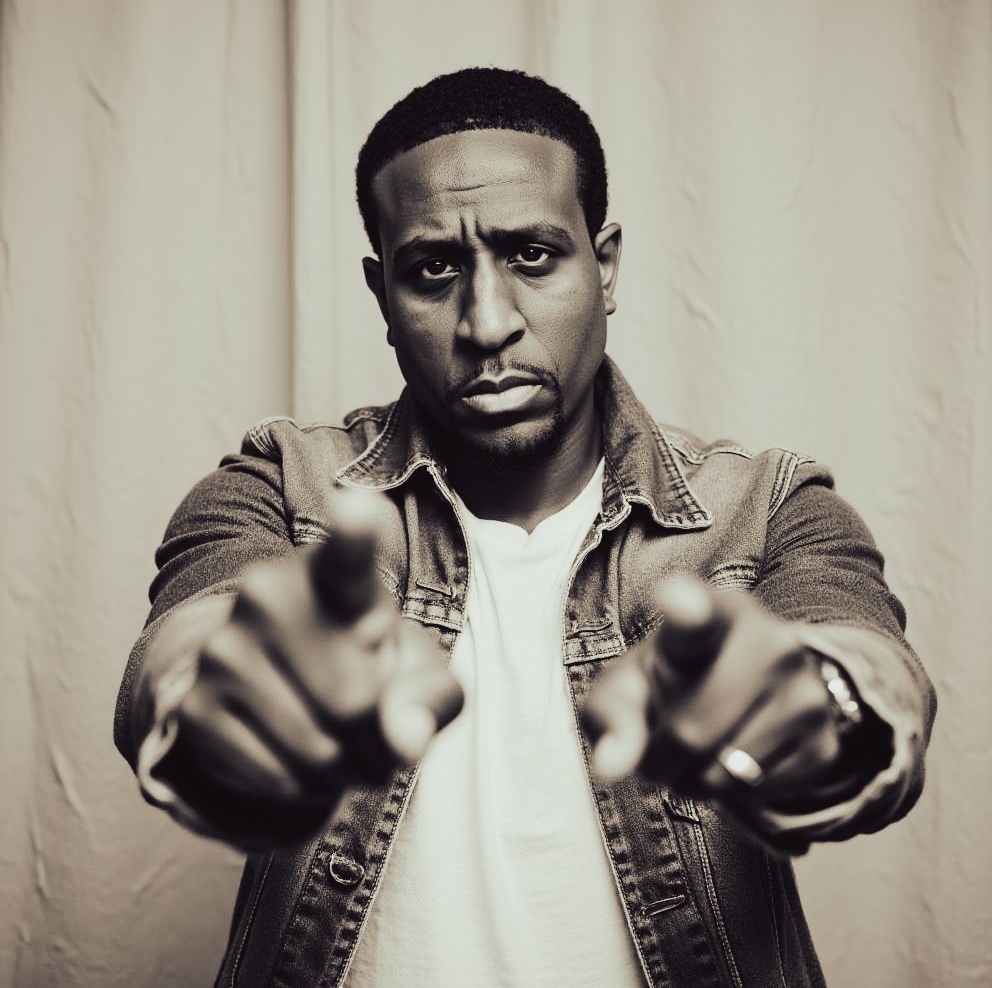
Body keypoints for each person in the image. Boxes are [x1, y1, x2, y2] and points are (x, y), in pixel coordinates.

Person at [114, 67, 935, 988]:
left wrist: (822, 709)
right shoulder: (278, 485)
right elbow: (185, 644)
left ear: (606, 265)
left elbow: (865, 659)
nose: (488, 322)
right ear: (382, 295)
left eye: (533, 256)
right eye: (434, 269)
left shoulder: (768, 506)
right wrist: (224, 695)